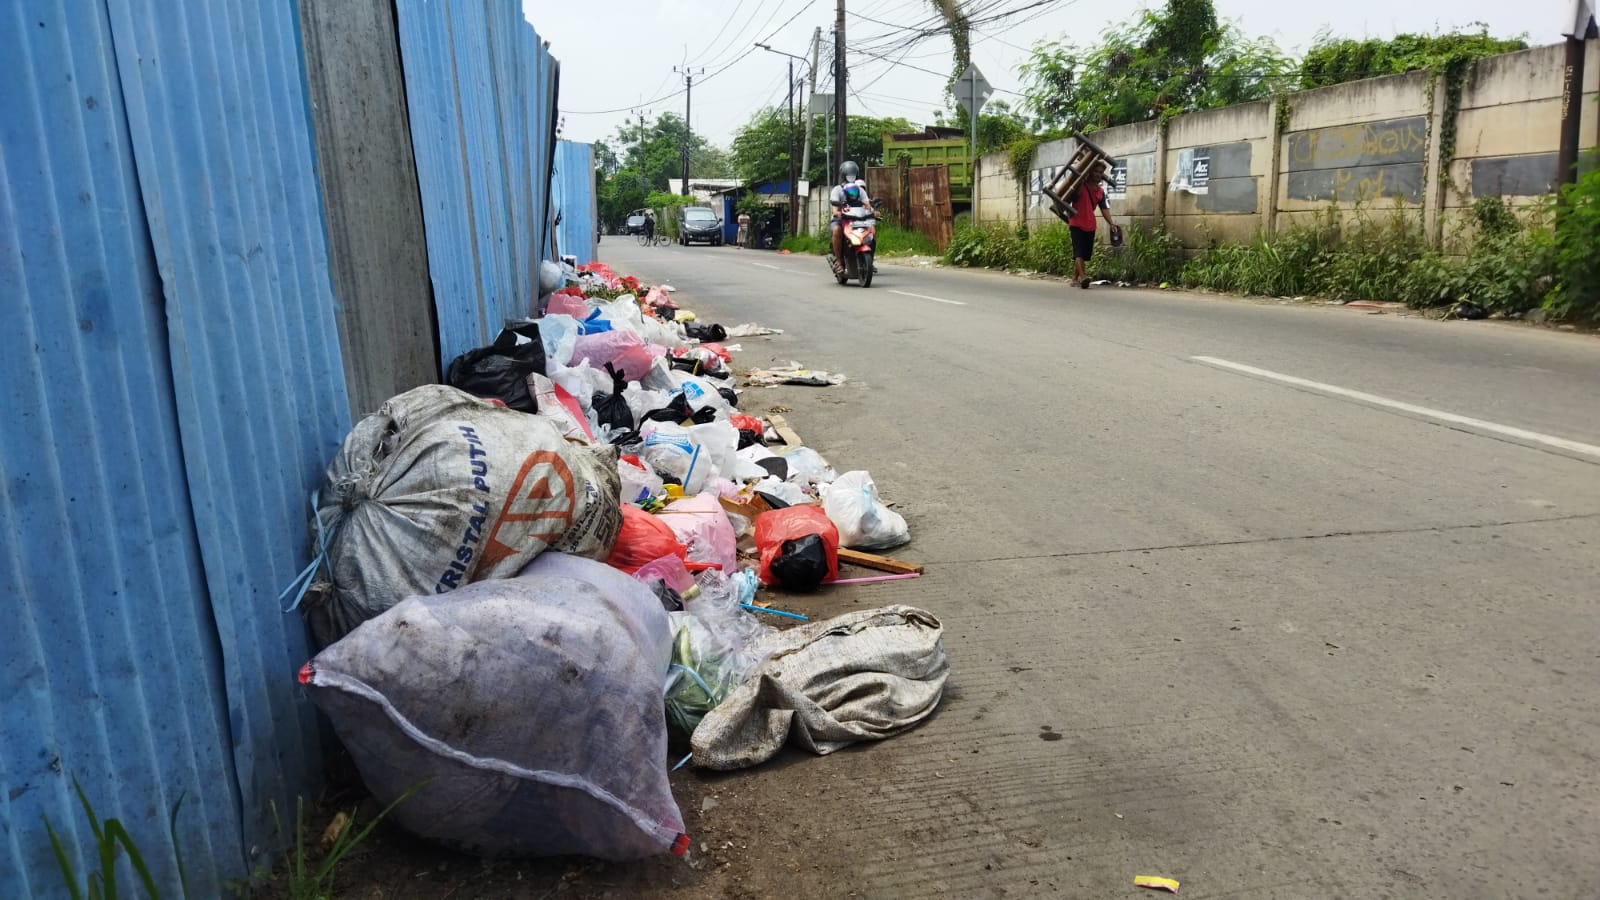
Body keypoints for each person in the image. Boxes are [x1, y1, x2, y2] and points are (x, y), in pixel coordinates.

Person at [1069, 163, 1116, 289]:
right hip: (1076, 222)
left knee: (1084, 254)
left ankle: (1074, 279)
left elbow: (1104, 208)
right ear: (1090, 172)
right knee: (1078, 251)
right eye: (1095, 171)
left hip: (1090, 224)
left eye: (1100, 172)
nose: (1098, 174)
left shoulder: (1100, 191)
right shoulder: (1081, 185)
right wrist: (1081, 178)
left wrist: (1111, 223)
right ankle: (1083, 277)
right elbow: (1074, 196)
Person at [830, 161, 873, 263]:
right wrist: (838, 213)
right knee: (837, 230)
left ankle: (871, 258)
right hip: (841, 220)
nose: (851, 178)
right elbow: (835, 210)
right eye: (849, 175)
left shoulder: (861, 190)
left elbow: (867, 205)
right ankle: (839, 261)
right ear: (844, 176)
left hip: (857, 219)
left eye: (853, 175)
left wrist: (872, 211)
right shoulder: (837, 190)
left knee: (871, 230)